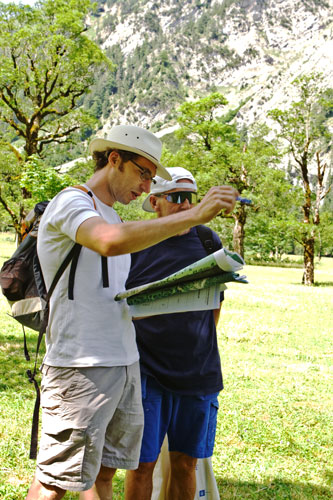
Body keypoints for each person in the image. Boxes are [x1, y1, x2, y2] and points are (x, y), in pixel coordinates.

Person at [25, 125, 238, 500]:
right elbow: (107, 243)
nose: (145, 187)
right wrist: (194, 214)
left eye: (152, 179)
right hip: (82, 365)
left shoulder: (114, 215)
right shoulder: (74, 202)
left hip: (126, 364)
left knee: (104, 475)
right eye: (144, 174)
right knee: (55, 482)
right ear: (114, 159)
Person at [125, 167, 225, 500]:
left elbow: (215, 305)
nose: (186, 206)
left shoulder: (208, 241)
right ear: (154, 202)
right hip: (147, 373)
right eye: (177, 198)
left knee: (186, 465)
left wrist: (194, 346)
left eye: (191, 198)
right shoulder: (135, 242)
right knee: (141, 466)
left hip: (198, 374)